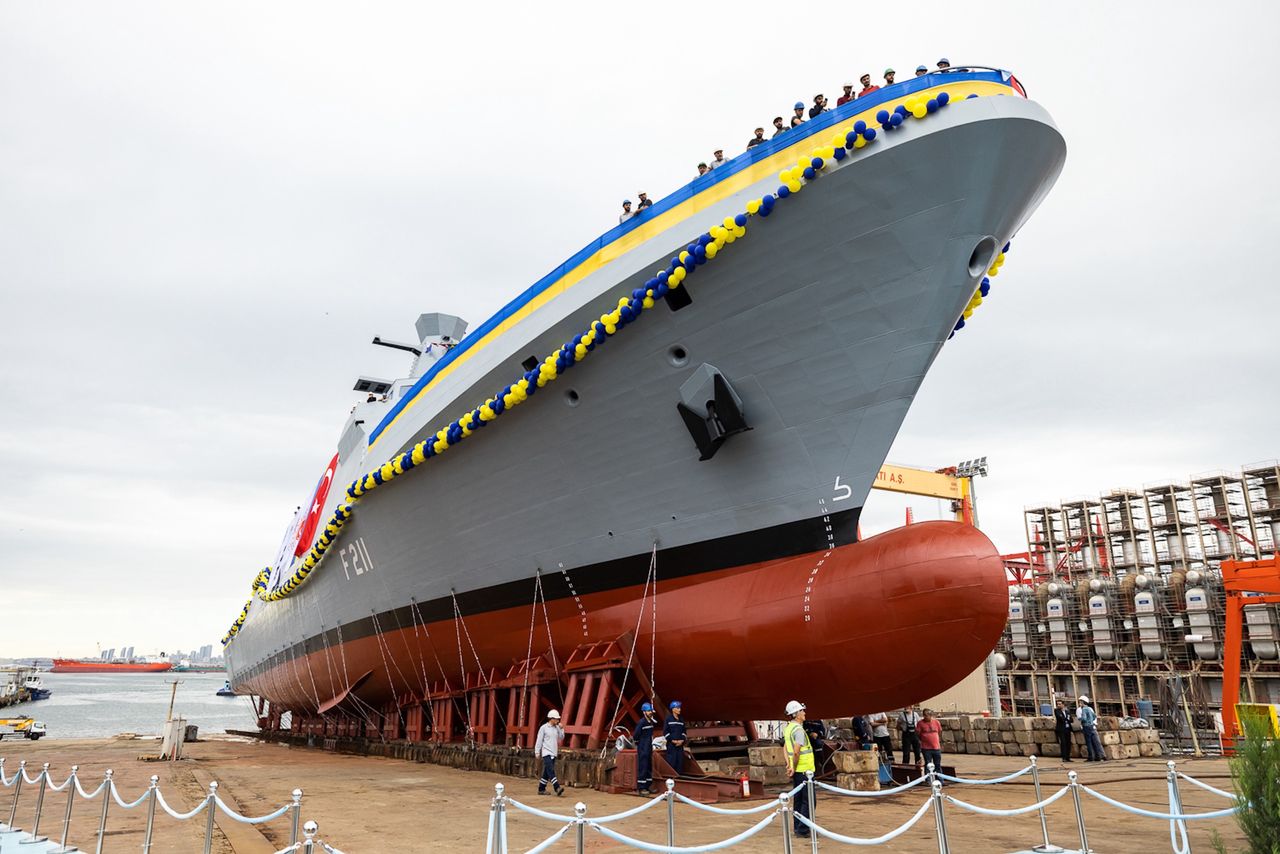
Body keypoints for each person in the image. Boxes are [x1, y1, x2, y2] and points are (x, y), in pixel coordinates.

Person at [783, 700, 815, 838]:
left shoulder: (788, 728)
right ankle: (803, 830)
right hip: (804, 771)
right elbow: (796, 752)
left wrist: (789, 766)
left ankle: (797, 827)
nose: (804, 713)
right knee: (808, 802)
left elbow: (785, 748)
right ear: (796, 714)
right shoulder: (799, 730)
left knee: (798, 800)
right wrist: (794, 767)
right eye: (802, 711)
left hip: (797, 771)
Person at [535, 710, 565, 796]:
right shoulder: (543, 728)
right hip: (546, 752)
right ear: (551, 719)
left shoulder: (557, 728)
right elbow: (539, 740)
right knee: (551, 771)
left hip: (553, 752)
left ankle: (541, 789)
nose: (558, 721)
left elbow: (561, 737)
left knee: (546, 773)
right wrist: (537, 751)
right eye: (556, 719)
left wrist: (562, 729)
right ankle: (557, 787)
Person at [634, 702, 658, 794]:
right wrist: (640, 744)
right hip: (643, 747)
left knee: (648, 766)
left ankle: (648, 786)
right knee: (643, 766)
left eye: (651, 710)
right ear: (644, 712)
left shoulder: (650, 722)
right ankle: (641, 787)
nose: (650, 712)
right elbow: (636, 735)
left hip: (648, 746)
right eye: (648, 711)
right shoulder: (642, 722)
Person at [663, 700, 687, 776]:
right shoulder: (668, 719)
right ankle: (671, 778)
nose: (679, 709)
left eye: (680, 708)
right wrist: (672, 740)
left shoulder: (681, 720)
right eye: (677, 708)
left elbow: (684, 732)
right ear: (673, 709)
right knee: (671, 762)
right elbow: (665, 732)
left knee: (679, 763)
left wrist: (682, 740)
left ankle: (679, 779)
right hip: (671, 746)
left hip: (680, 746)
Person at [1077, 696, 1105, 762]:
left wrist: (1080, 719)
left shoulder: (1083, 709)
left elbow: (1083, 718)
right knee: (1095, 742)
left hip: (1086, 726)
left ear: (1083, 702)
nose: (1079, 703)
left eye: (1080, 702)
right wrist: (1091, 721)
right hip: (1092, 726)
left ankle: (1091, 757)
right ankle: (1098, 756)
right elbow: (1094, 716)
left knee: (1089, 742)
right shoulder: (1089, 709)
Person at [918, 709, 943, 776]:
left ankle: (940, 778)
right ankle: (928, 779)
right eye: (924, 715)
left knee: (937, 764)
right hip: (926, 748)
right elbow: (918, 734)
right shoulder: (920, 723)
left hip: (936, 747)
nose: (925, 717)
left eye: (927, 715)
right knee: (928, 764)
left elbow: (940, 732)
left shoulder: (936, 722)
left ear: (930, 715)